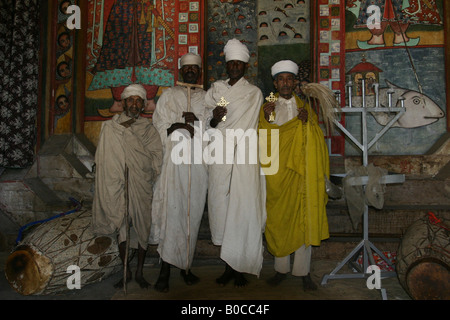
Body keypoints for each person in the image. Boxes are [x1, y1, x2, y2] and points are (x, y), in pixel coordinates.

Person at [259, 60, 330, 291]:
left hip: (301, 173)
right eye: (281, 79)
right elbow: (264, 137)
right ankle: (281, 269)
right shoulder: (267, 105)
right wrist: (268, 119)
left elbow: (316, 138)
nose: (285, 83)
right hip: (277, 174)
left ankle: (303, 271)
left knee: (303, 217)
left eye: (289, 79)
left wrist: (307, 123)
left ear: (294, 82)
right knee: (279, 218)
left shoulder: (304, 106)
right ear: (275, 83)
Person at [205, 38, 266, 287]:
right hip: (220, 154)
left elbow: (258, 124)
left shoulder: (254, 93)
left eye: (239, 64)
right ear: (227, 65)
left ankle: (238, 267)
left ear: (245, 67)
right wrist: (214, 119)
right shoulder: (218, 92)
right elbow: (210, 122)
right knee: (221, 207)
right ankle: (227, 267)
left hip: (244, 156)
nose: (235, 67)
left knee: (241, 210)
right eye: (231, 63)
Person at [92, 83, 163, 289]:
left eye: (138, 100)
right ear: (123, 103)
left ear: (143, 105)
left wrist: (142, 168)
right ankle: (126, 270)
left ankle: (139, 272)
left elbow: (157, 157)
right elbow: (103, 156)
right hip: (117, 183)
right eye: (130, 100)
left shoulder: (148, 129)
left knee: (142, 227)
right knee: (122, 226)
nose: (134, 104)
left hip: (141, 183)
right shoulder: (111, 127)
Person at [150, 53, 209, 292]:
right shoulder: (169, 96)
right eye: (187, 69)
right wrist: (178, 124)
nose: (191, 72)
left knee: (191, 216)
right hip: (173, 168)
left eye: (195, 69)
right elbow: (158, 124)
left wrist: (198, 122)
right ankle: (164, 270)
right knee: (171, 214)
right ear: (181, 72)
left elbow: (216, 128)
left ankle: (186, 267)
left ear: (200, 72)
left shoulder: (207, 98)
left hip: (197, 169)